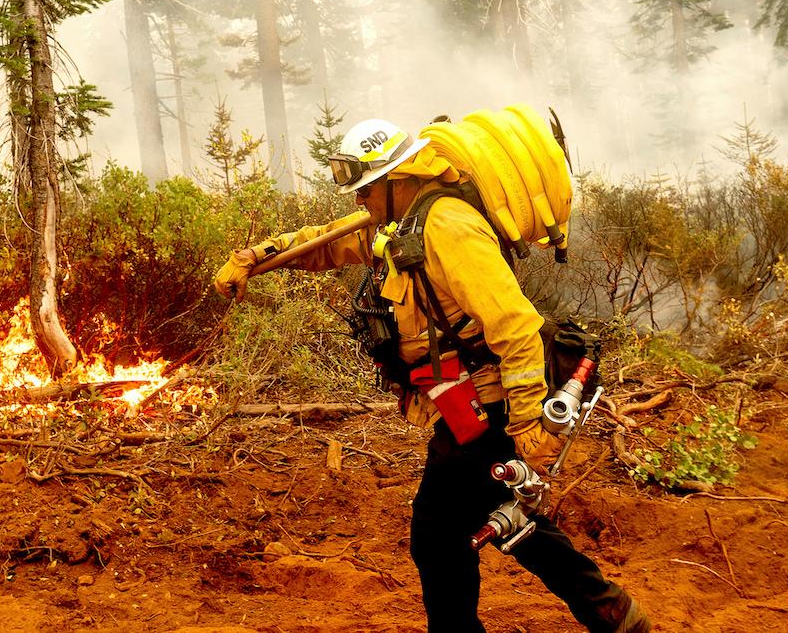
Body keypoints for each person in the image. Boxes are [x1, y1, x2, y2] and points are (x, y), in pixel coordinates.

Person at [213, 117, 651, 633]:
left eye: (367, 191)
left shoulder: (447, 227)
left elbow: (515, 326)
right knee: (495, 515)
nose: (360, 203)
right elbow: (328, 244)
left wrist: (531, 420)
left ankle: (582, 613)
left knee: (437, 532)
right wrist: (257, 258)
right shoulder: (399, 225)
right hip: (463, 404)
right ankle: (610, 610)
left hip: (493, 405)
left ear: (397, 180)